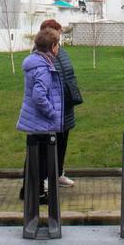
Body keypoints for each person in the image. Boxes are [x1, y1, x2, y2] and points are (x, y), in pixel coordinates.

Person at [17, 27, 64, 202]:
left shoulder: (35, 62)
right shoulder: (43, 68)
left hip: (33, 120)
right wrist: (51, 112)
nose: (59, 48)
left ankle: (27, 189)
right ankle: (37, 193)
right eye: (58, 45)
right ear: (52, 46)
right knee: (41, 160)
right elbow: (39, 95)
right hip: (41, 121)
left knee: (32, 157)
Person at [39, 19, 82, 188]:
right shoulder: (41, 53)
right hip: (53, 106)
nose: (60, 35)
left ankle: (58, 173)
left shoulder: (61, 51)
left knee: (63, 141)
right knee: (50, 143)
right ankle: (45, 177)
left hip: (66, 105)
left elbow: (68, 73)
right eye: (57, 32)